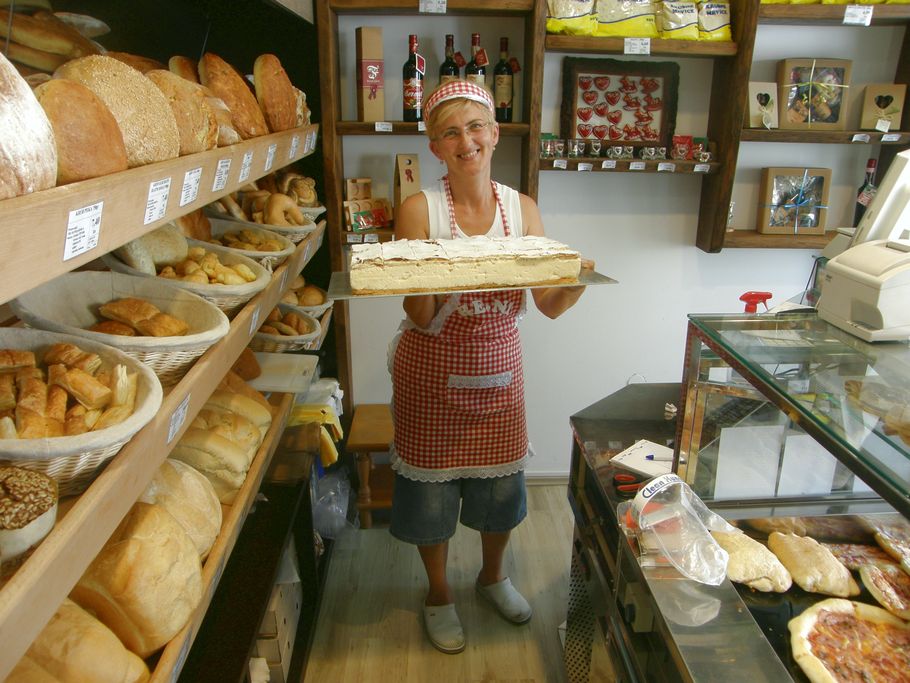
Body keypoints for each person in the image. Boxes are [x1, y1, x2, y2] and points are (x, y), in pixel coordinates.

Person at [388, 80, 591, 654]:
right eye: (450, 132)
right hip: (431, 369)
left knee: (500, 493)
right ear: (435, 146)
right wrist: (432, 270)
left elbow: (548, 306)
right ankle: (437, 593)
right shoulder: (417, 209)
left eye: (475, 127)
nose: (465, 141)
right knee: (431, 499)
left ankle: (492, 576)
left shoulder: (520, 209)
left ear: (495, 134)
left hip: (500, 372)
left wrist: (575, 280)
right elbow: (420, 314)